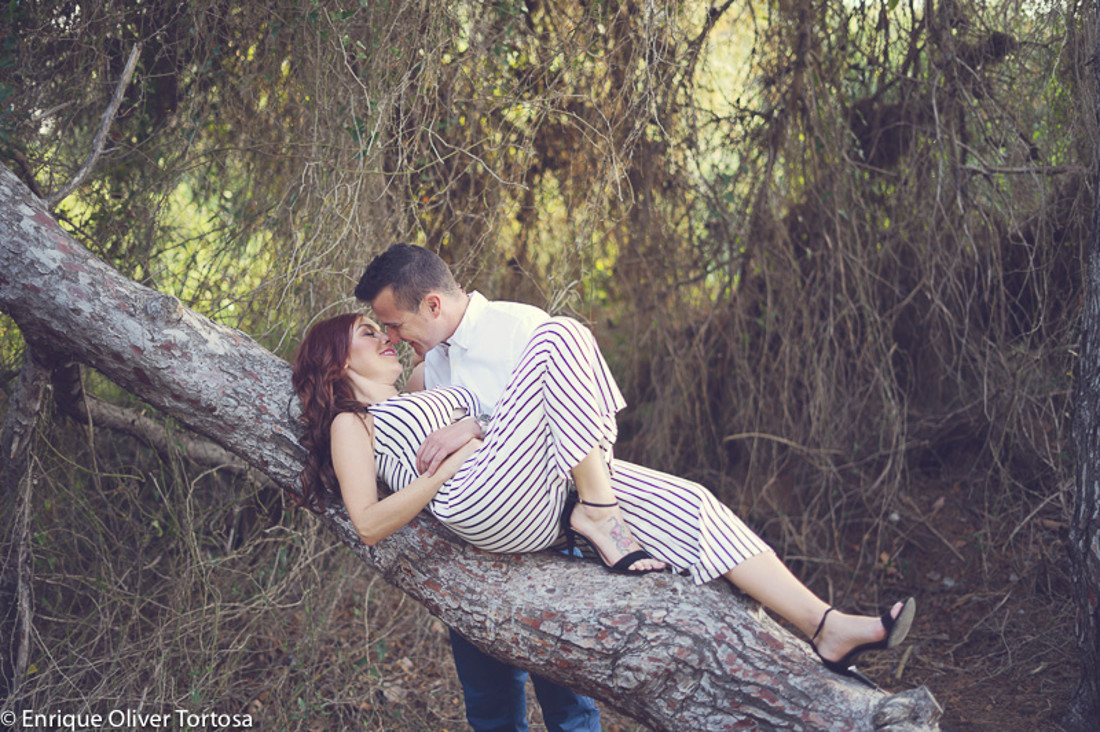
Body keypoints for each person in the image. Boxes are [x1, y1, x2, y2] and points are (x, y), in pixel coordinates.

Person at [290, 309, 917, 702]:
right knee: (560, 332)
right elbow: (370, 523)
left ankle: (825, 625)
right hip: (476, 497)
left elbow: (492, 407)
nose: (387, 340)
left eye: (386, 328)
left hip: (520, 484)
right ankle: (598, 512)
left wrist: (475, 426)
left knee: (690, 502)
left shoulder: (425, 383)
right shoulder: (354, 420)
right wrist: (449, 465)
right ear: (338, 360)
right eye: (369, 334)